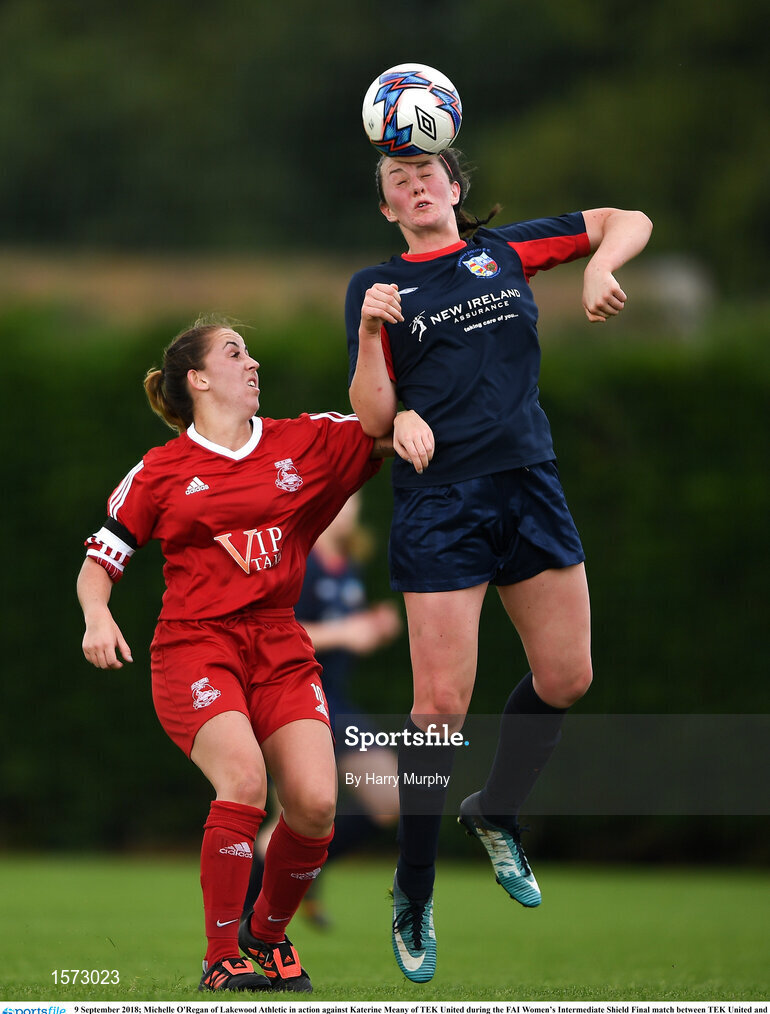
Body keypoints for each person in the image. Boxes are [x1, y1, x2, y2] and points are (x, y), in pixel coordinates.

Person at [345, 147, 653, 982]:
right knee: (440, 705)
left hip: (529, 485)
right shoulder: (379, 285)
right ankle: (413, 890)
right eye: (396, 184)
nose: (414, 188)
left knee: (568, 678)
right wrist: (379, 350)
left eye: (426, 175)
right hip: (442, 504)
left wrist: (600, 271)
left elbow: (626, 220)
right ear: (387, 210)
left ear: (454, 187)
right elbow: (370, 415)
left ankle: (496, 810)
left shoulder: (506, 251)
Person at [77, 318, 405, 994]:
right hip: (195, 646)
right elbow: (100, 560)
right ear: (197, 379)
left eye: (251, 350)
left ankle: (268, 937)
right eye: (234, 352)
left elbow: (378, 424)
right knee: (247, 784)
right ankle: (220, 956)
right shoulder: (160, 470)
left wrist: (412, 418)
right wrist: (97, 614)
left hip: (280, 643)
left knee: (316, 804)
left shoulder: (302, 440)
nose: (252, 362)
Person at [242, 491, 402, 927]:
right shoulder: (298, 560)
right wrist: (348, 631)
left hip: (336, 700)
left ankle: (311, 866)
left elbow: (335, 628)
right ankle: (243, 926)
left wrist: (370, 625)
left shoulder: (349, 564)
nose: (347, 509)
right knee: (286, 817)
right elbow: (272, 633)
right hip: (291, 694)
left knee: (389, 798)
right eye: (341, 500)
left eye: (353, 502)